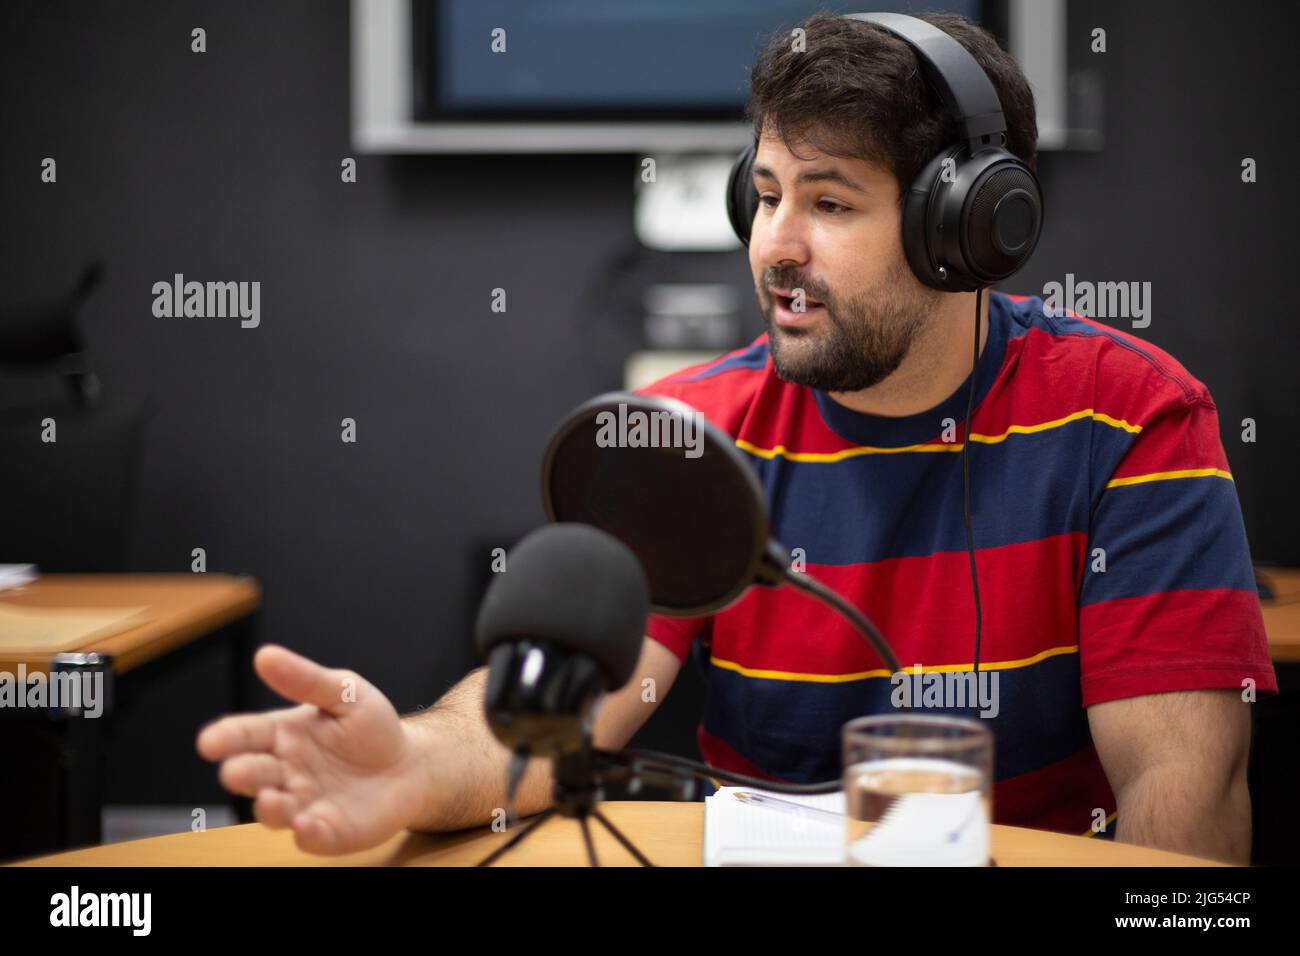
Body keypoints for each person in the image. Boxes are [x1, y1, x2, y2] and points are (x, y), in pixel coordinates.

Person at [197, 12, 1275, 864]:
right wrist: (411, 767)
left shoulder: (1131, 417)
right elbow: (552, 714)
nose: (776, 247)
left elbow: (1180, 817)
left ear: (965, 227)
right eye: (763, 196)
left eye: (831, 204)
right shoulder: (689, 436)